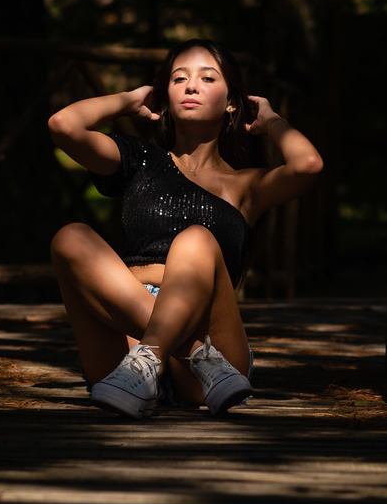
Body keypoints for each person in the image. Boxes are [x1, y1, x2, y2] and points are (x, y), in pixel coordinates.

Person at [48, 38, 323, 419]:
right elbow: (63, 125)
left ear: (232, 102)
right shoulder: (139, 160)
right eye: (179, 79)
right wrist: (129, 100)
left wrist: (272, 120)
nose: (191, 86)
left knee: (195, 238)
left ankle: (168, 352)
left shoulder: (246, 186)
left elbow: (308, 164)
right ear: (165, 98)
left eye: (207, 78)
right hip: (128, 357)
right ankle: (181, 354)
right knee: (70, 236)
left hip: (209, 346)